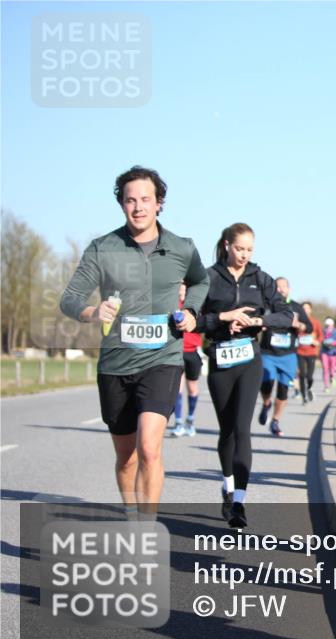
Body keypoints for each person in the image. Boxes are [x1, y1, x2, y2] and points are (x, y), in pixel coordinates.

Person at [60, 165, 209, 520]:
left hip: (163, 358)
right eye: (130, 200)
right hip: (116, 363)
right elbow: (70, 299)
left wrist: (190, 312)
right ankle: (130, 510)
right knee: (126, 457)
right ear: (122, 204)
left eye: (146, 199)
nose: (138, 207)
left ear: (159, 204)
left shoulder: (182, 248)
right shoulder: (103, 248)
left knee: (149, 448)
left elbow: (201, 282)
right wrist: (94, 312)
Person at [197, 223, 292, 528]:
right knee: (226, 430)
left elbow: (285, 315)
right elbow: (194, 320)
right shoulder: (208, 278)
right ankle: (227, 487)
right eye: (240, 248)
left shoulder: (261, 278)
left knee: (242, 429)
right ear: (227, 245)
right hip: (221, 358)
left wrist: (256, 320)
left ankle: (239, 501)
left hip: (250, 358)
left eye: (249, 249)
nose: (244, 255)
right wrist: (224, 319)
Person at [257, 276, 312, 437]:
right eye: (278, 287)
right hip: (268, 353)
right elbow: (254, 321)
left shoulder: (296, 307)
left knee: (283, 390)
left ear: (289, 289)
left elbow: (308, 327)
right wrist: (260, 325)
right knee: (267, 383)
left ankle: (275, 420)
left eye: (284, 287)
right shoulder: (265, 305)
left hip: (288, 355)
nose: (281, 290)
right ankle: (266, 403)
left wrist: (299, 325)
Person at [170, 283, 203, 437]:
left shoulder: (194, 307)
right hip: (177, 351)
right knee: (178, 388)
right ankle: (178, 423)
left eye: (184, 289)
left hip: (192, 352)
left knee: (193, 388)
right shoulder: (171, 304)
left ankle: (190, 420)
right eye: (179, 289)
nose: (181, 292)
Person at [296, 301, 321, 404]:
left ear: (311, 310)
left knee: (309, 376)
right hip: (299, 351)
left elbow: (320, 336)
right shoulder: (296, 322)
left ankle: (309, 388)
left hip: (311, 352)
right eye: (303, 308)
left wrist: (317, 342)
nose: (305, 310)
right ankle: (304, 396)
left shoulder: (315, 322)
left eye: (307, 308)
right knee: (302, 374)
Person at [319, 317, 336, 391]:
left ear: (333, 325)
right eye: (327, 326)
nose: (329, 327)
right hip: (324, 352)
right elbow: (319, 339)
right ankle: (326, 386)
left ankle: (332, 377)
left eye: (330, 325)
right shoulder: (323, 331)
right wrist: (323, 342)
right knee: (325, 369)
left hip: (333, 353)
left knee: (332, 369)